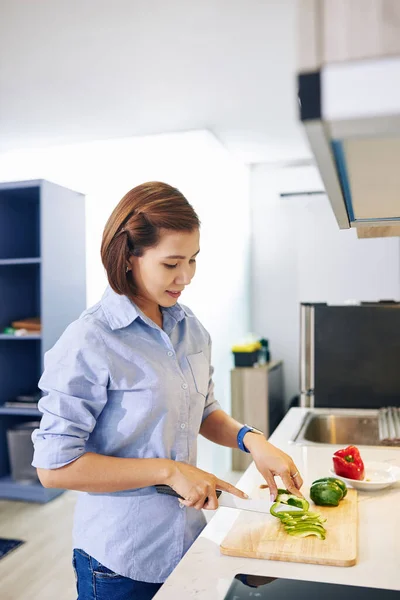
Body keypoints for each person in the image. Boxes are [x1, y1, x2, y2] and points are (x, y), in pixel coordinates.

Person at [32, 182, 303, 600]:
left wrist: (251, 440)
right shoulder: (89, 339)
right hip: (120, 559)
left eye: (193, 260)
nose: (187, 277)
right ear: (128, 258)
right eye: (172, 263)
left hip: (188, 539)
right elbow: (54, 468)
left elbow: (202, 409)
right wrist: (169, 470)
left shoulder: (188, 327)